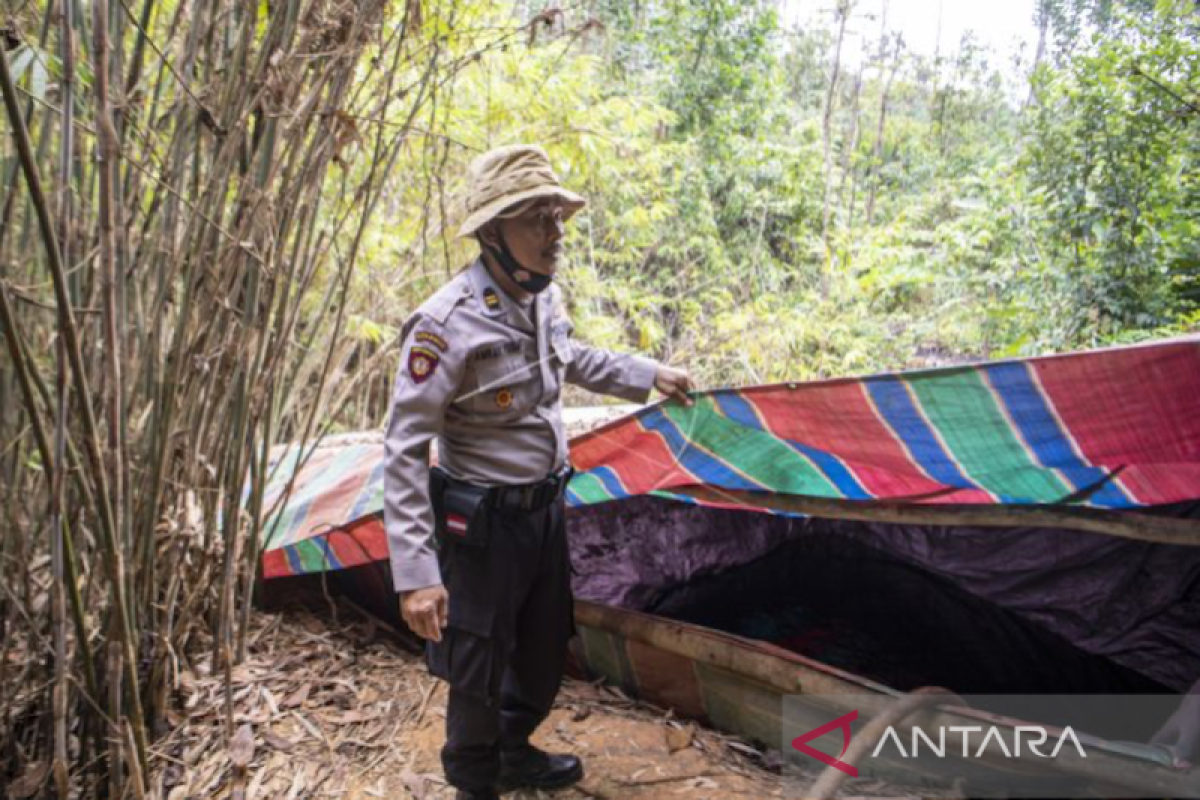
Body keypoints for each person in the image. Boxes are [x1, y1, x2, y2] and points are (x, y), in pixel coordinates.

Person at [383, 144, 692, 800]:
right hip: (481, 525)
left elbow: (570, 357)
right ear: (493, 232)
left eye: (557, 216)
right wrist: (416, 576)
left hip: (544, 511)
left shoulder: (541, 298)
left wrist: (648, 375)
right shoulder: (444, 325)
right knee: (477, 658)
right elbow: (404, 448)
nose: (555, 233)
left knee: (544, 642)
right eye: (536, 219)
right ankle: (475, 781)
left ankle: (514, 749)